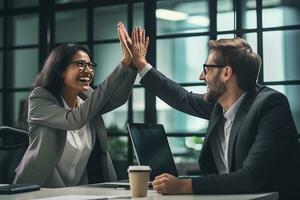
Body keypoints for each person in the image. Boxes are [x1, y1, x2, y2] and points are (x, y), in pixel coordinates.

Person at [130, 27, 300, 199]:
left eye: (207, 68)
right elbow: (182, 98)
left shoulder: (271, 106)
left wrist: (184, 186)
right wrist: (141, 64)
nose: (201, 76)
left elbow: (251, 178)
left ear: (226, 72)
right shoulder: (219, 106)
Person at [13, 22, 137, 187]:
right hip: (37, 190)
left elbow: (117, 99)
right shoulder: (39, 99)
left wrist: (132, 65)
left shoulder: (88, 98)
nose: (88, 71)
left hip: (79, 191)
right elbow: (74, 120)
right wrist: (122, 64)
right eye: (80, 65)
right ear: (60, 70)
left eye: (90, 65)